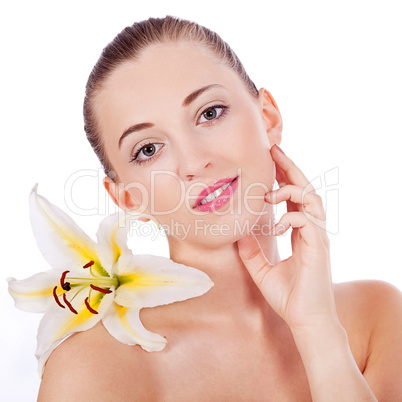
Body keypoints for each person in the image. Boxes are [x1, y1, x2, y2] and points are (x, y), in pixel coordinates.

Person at [37, 16, 402, 401]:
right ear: (128, 198)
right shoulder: (95, 366)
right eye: (148, 149)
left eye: (209, 113)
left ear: (268, 117)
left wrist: (319, 330)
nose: (194, 162)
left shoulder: (377, 316)